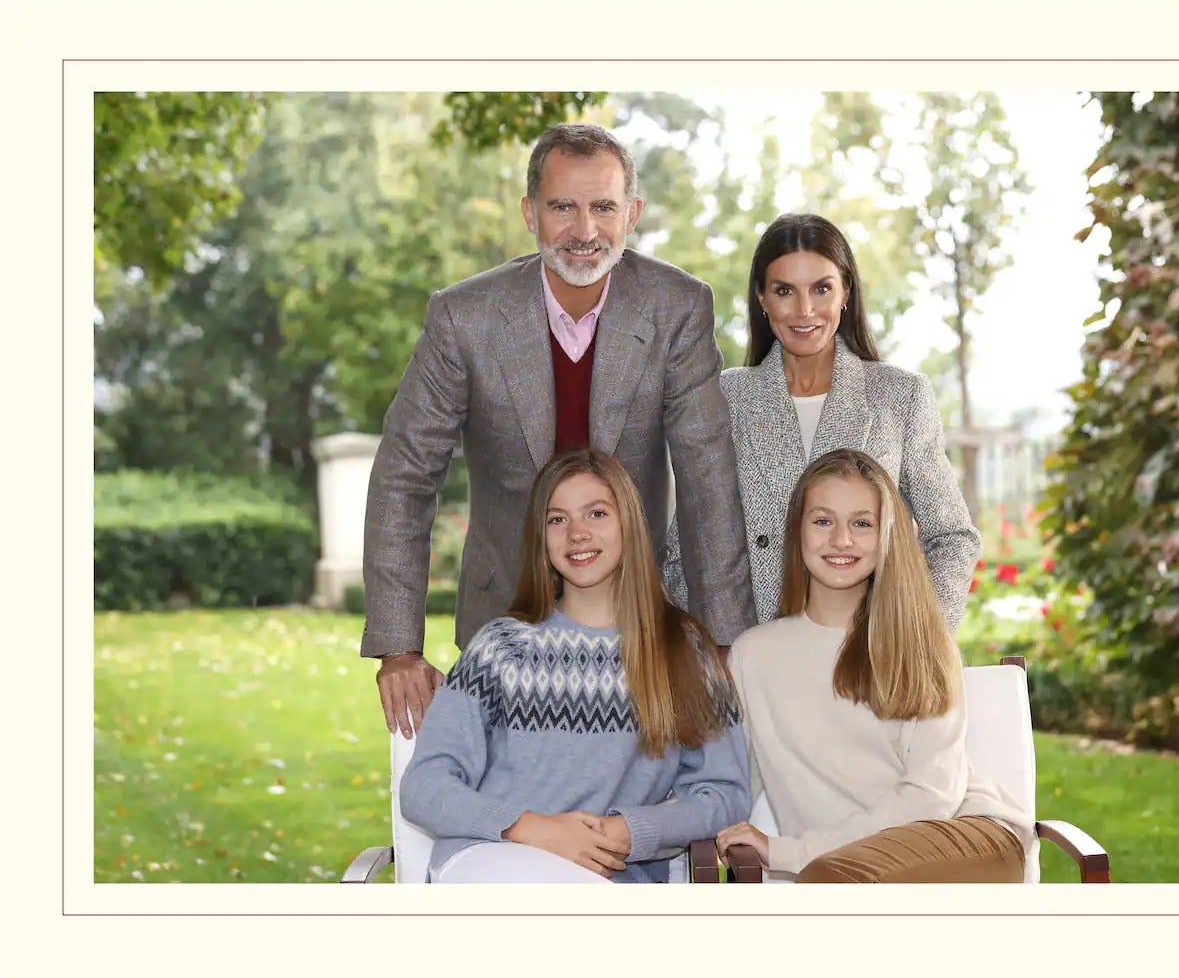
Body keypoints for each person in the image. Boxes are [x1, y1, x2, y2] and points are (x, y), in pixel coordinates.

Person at [363, 123, 755, 738]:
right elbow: (404, 475)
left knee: (642, 806)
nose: (584, 231)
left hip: (637, 621)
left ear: (632, 213)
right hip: (503, 620)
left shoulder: (678, 307)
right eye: (562, 207)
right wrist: (398, 646)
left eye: (603, 207)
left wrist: (728, 640)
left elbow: (708, 475)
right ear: (530, 213)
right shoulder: (463, 318)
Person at [399, 449, 750, 883]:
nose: (577, 534)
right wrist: (532, 829)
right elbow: (424, 787)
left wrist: (632, 830)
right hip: (492, 861)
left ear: (630, 525)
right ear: (540, 539)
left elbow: (724, 795)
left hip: (610, 879)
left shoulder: (683, 651)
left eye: (597, 513)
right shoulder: (499, 648)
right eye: (557, 519)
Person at [715, 449, 1031, 883]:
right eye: (823, 521)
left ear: (886, 535)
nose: (841, 539)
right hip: (843, 868)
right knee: (833, 882)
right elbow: (730, 783)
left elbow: (931, 797)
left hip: (969, 835)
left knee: (830, 883)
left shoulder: (921, 642)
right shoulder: (754, 655)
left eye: (861, 523)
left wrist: (794, 851)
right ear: (798, 532)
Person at [665, 212, 979, 629]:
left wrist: (913, 642)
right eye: (784, 291)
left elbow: (952, 538)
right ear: (761, 298)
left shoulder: (899, 396)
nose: (804, 310)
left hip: (870, 659)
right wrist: (718, 649)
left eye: (822, 288)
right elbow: (682, 546)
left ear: (845, 291)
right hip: (753, 660)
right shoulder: (724, 398)